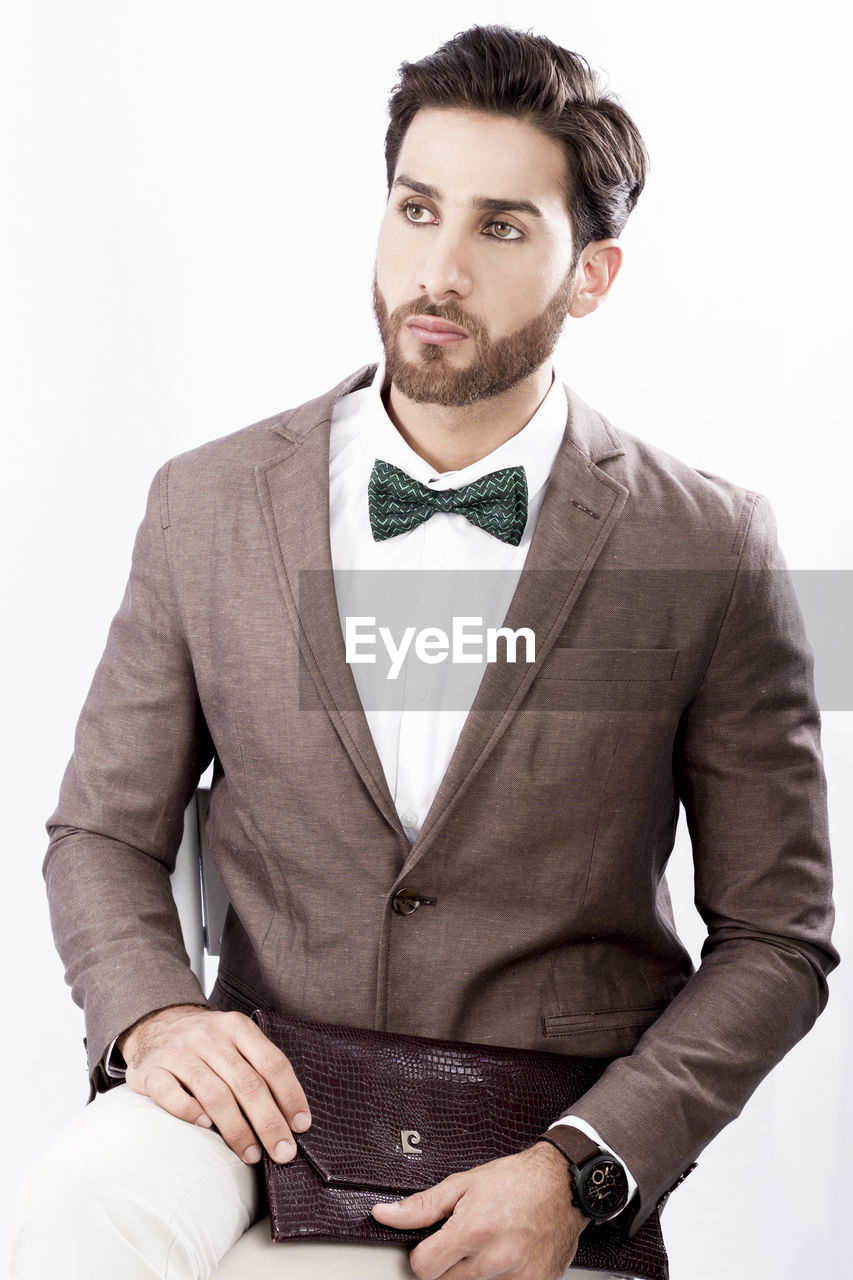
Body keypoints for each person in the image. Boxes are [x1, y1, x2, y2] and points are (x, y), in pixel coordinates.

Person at [13, 22, 837, 1280]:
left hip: (526, 1134)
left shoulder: (710, 545)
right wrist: (157, 1011)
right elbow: (104, 832)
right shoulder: (207, 500)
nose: (436, 269)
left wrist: (587, 1164)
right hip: (260, 1094)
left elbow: (776, 934)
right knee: (75, 1206)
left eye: (501, 227)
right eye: (415, 209)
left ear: (591, 274)